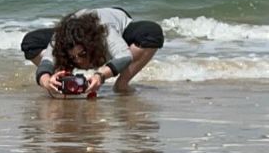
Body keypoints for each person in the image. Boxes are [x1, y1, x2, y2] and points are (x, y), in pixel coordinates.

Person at [22, 8, 163, 96]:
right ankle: (64, 81)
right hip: (75, 26)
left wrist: (100, 76)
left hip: (115, 21)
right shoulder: (60, 38)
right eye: (73, 57)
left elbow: (125, 56)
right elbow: (46, 62)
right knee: (31, 42)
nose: (78, 61)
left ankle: (122, 83)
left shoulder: (105, 32)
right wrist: (46, 82)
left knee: (151, 33)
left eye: (82, 55)